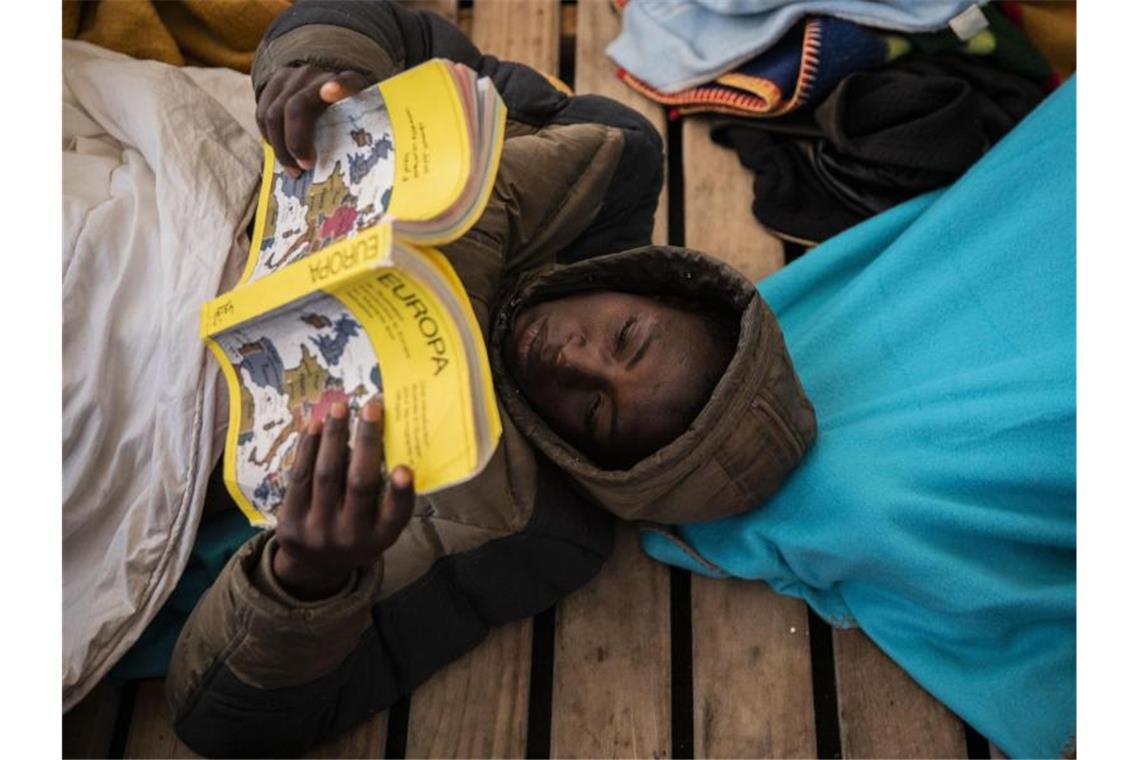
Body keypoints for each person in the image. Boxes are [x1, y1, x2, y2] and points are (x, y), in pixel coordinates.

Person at [165, 2, 817, 755]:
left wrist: (305, 581)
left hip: (152, 396)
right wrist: (326, 71)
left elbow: (227, 723)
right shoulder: (597, 160)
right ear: (663, 288)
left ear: (593, 464)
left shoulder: (524, 526)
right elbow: (398, 34)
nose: (572, 360)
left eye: (596, 415)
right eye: (626, 338)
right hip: (189, 186)